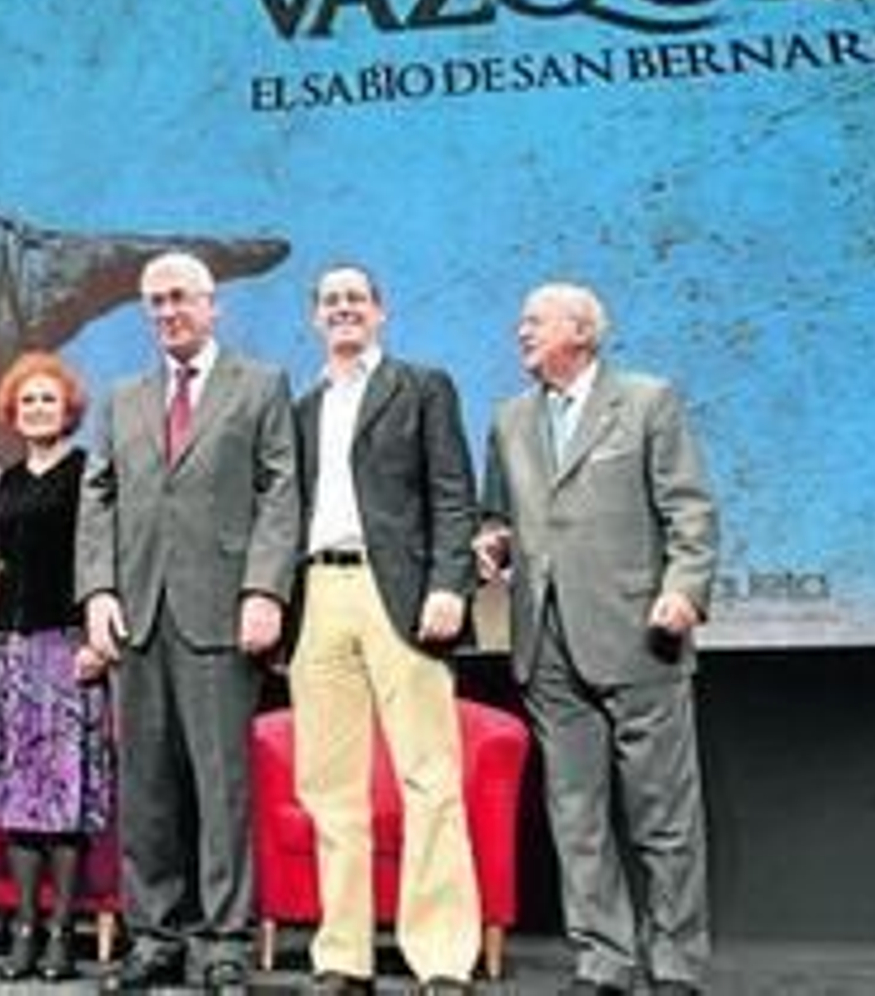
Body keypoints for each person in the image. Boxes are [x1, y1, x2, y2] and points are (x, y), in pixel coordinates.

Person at [474, 282, 718, 996]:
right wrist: (493, 542)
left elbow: (690, 510)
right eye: (520, 320)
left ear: (581, 332)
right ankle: (603, 960)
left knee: (662, 816)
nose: (520, 332)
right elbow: (497, 515)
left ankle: (674, 961)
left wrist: (684, 588)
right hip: (546, 640)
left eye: (535, 321)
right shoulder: (510, 419)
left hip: (637, 633)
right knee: (576, 816)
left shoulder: (646, 402)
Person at [77, 250, 299, 994]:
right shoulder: (123, 397)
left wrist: (265, 589)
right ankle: (155, 936)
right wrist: (98, 591)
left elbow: (280, 492)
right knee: (146, 786)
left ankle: (224, 940)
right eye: (156, 302)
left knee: (220, 783)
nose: (168, 312)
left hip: (222, 613)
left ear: (212, 305)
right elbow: (98, 497)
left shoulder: (260, 385)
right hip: (138, 614)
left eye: (180, 298)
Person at [288, 264, 481, 995]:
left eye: (355, 298)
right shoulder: (303, 408)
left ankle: (441, 957)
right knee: (329, 786)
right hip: (318, 591)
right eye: (330, 300)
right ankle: (344, 956)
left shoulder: (421, 386)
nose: (343, 308)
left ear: (380, 311)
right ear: (315, 317)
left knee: (429, 775)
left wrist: (448, 584)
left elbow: (452, 494)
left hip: (397, 591)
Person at [0, 351, 113, 984]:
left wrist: (99, 642)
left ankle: (62, 934)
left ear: (68, 409)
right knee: (20, 798)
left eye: (48, 399)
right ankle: (24, 928)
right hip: (8, 651)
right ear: (12, 412)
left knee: (63, 800)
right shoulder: (9, 482)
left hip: (66, 647)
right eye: (28, 401)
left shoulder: (90, 472)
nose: (38, 409)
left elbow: (106, 557)